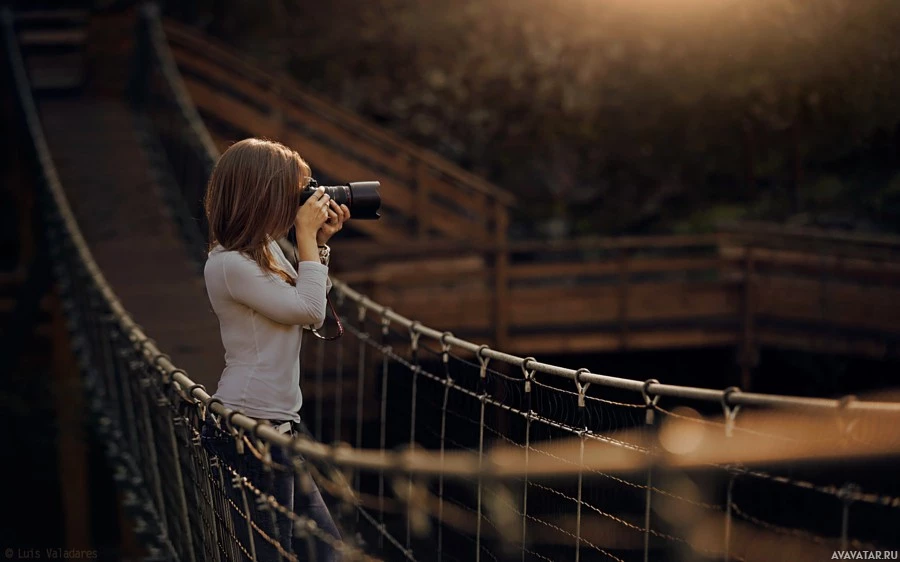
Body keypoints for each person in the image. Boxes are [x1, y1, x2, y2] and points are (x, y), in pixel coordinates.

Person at [200, 138, 350, 561]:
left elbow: (311, 303)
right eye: (293, 191)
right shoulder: (229, 263)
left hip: (276, 426)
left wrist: (317, 242)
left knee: (328, 551)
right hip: (250, 428)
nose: (299, 202)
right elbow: (309, 309)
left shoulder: (263, 250)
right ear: (262, 193)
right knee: (270, 553)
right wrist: (303, 236)